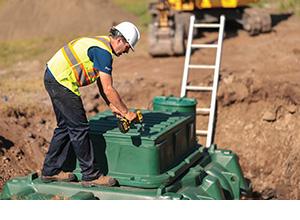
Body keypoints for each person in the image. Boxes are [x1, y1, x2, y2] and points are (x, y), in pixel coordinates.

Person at [40, 22, 140, 188]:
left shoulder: (101, 43)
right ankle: (91, 175)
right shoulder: (104, 52)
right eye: (128, 47)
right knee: (79, 128)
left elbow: (101, 83)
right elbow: (108, 88)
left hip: (52, 77)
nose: (127, 51)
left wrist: (111, 105)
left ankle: (50, 171)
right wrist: (127, 112)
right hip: (61, 82)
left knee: (65, 126)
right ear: (120, 40)